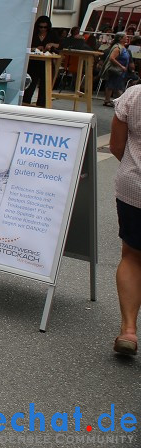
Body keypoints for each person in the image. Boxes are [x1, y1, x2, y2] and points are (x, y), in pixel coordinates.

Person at [108, 84, 141, 357]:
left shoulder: (134, 95)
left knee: (131, 255)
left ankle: (129, 330)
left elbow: (116, 145)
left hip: (134, 189)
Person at [23, 15, 58, 105]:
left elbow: (60, 44)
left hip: (46, 63)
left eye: (45, 27)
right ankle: (25, 103)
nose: (42, 29)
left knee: (44, 87)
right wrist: (34, 48)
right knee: (30, 86)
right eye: (40, 27)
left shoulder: (52, 34)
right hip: (34, 63)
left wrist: (52, 44)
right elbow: (25, 46)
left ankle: (41, 105)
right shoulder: (33, 34)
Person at [103, 32, 131, 106]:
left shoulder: (122, 47)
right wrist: (121, 66)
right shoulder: (117, 47)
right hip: (116, 70)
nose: (127, 38)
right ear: (120, 39)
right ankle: (120, 103)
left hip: (121, 70)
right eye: (125, 37)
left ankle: (110, 101)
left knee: (114, 85)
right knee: (116, 86)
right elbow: (112, 58)